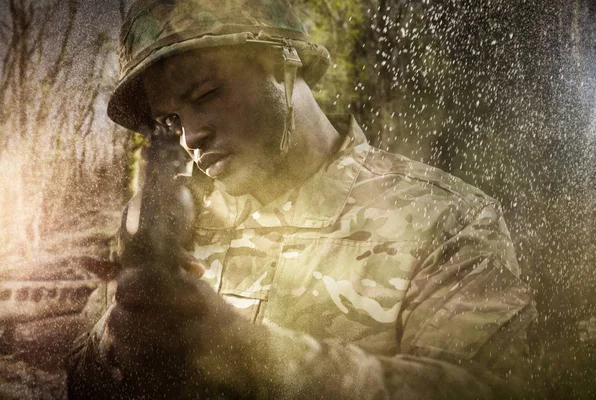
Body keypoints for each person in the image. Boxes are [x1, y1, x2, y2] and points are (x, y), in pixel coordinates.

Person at [67, 0, 538, 398]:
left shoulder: (442, 216)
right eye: (169, 119)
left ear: (283, 63)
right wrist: (117, 335)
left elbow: (481, 388)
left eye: (207, 93)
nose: (191, 134)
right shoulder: (168, 222)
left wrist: (250, 354)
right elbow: (80, 376)